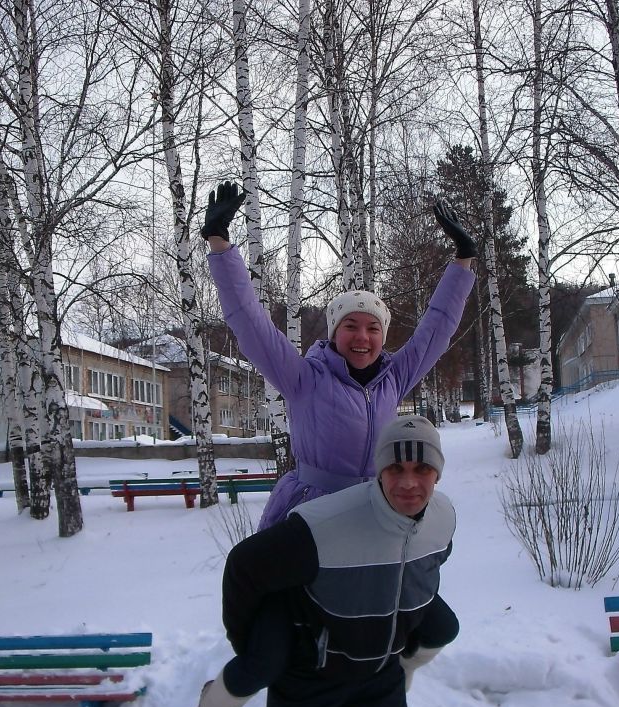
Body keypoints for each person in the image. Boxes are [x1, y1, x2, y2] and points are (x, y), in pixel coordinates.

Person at [191, 415, 457, 707]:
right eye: (395, 468)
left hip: (378, 674)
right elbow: (245, 566)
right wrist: (248, 645)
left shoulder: (444, 518)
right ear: (379, 471)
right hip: (309, 675)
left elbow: (428, 566)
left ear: (438, 473)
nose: (408, 483)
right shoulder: (324, 527)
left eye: (423, 469)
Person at [200, 180, 477, 529]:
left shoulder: (394, 378)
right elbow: (250, 322)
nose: (362, 336)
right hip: (314, 514)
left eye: (373, 328)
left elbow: (437, 328)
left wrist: (463, 260)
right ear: (334, 333)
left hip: (377, 511)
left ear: (382, 336)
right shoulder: (304, 378)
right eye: (350, 325)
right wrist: (219, 243)